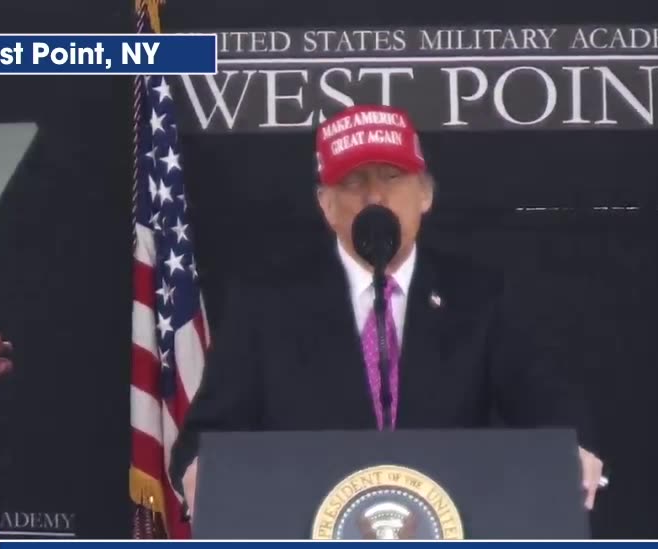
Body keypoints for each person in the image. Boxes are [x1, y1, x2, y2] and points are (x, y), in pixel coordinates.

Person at [170, 104, 605, 520]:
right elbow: (205, 438)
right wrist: (200, 466)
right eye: (353, 181)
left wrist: (572, 446)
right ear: (325, 204)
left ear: (426, 194)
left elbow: (547, 402)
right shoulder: (267, 304)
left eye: (392, 176)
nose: (375, 196)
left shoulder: (481, 297)